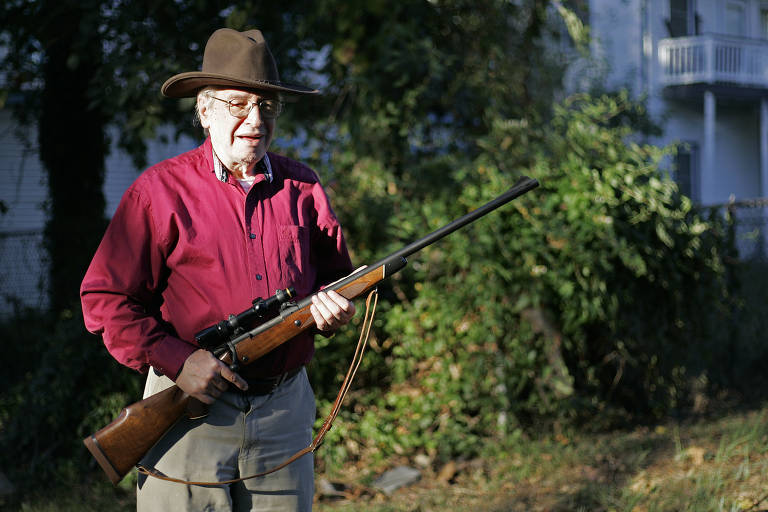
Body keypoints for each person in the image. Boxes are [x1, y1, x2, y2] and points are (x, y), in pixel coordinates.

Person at [80, 28, 356, 511]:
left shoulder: (303, 187)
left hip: (283, 411)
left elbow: (337, 283)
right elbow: (105, 300)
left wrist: (333, 310)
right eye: (238, 104)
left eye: (267, 106)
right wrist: (178, 360)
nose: (255, 120)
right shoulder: (158, 192)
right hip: (189, 408)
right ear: (204, 112)